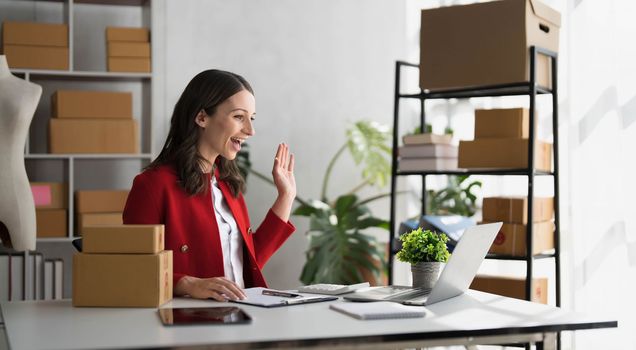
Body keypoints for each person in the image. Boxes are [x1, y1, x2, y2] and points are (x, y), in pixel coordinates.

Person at [123, 69, 296, 301]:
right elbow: (134, 267)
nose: (250, 130)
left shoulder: (228, 185)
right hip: (185, 321)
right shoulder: (153, 185)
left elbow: (248, 263)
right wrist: (187, 283)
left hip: (241, 314)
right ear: (202, 117)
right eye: (238, 117)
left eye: (251, 118)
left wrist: (285, 196)